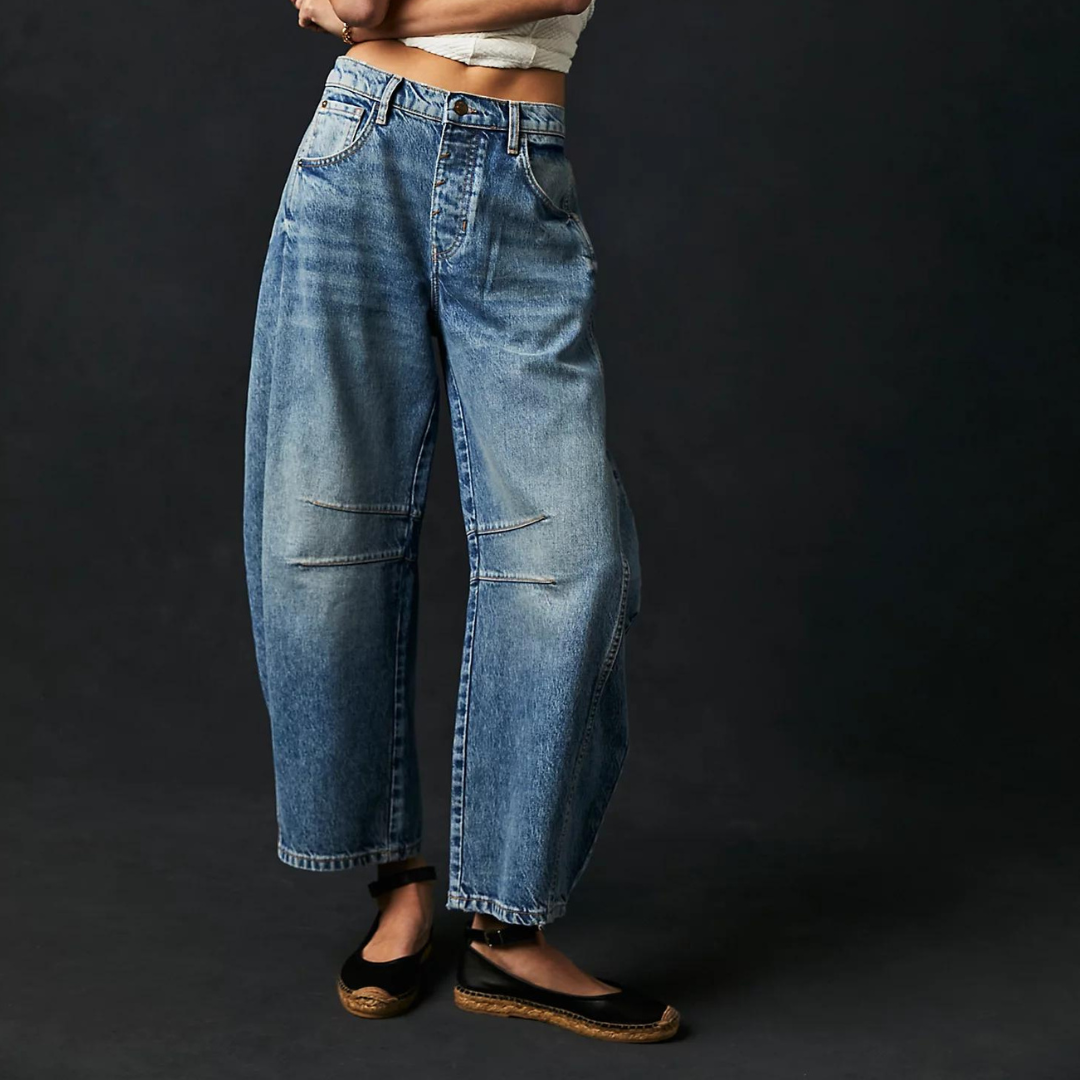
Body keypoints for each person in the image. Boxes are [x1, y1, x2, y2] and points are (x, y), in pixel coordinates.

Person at [243, 0, 678, 1041]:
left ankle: (507, 928)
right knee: (327, 537)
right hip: (360, 145)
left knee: (570, 558)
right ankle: (399, 885)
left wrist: (395, 12)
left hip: (520, 171)